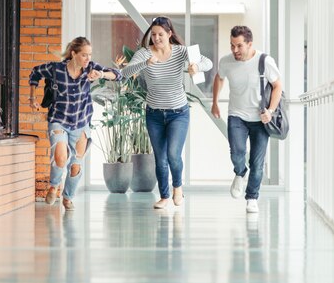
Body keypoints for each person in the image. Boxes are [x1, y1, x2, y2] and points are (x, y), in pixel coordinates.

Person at [121, 16, 213, 209]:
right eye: (153, 34)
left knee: (173, 154)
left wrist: (195, 66)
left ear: (169, 34)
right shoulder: (144, 54)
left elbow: (208, 63)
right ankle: (164, 196)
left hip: (178, 113)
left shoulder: (181, 52)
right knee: (160, 158)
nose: (156, 38)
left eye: (160, 34)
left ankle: (177, 188)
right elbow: (126, 73)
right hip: (154, 114)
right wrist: (145, 63)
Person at [28, 36, 121, 210]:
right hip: (59, 120)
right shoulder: (56, 69)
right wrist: (32, 97)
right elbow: (35, 72)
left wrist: (100, 74)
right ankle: (54, 186)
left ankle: (68, 197)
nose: (88, 59)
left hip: (81, 122)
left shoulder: (91, 69)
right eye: (84, 55)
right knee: (61, 158)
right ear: (73, 54)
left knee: (75, 166)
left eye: (90, 55)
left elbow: (117, 75)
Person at [211, 26, 283, 213]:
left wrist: (271, 110)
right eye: (232, 45)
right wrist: (215, 102)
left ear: (250, 44)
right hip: (237, 115)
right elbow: (219, 78)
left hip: (260, 119)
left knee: (257, 163)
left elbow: (277, 86)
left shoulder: (264, 61)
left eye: (239, 46)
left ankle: (252, 197)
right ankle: (240, 173)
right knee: (237, 152)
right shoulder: (226, 61)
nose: (235, 50)